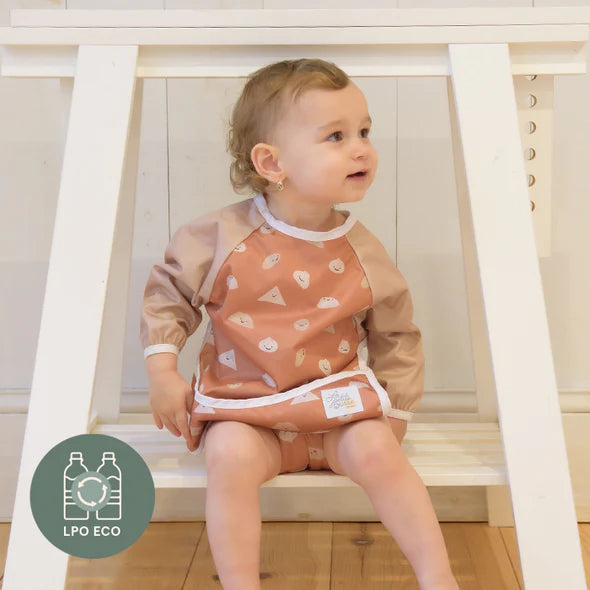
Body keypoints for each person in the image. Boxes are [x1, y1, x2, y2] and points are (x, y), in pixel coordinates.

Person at [141, 58, 459, 590]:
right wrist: (162, 370)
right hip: (248, 413)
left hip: (337, 413)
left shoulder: (361, 251)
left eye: (364, 132)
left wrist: (397, 410)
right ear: (272, 162)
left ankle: (438, 578)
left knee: (379, 449)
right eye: (336, 136)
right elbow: (169, 295)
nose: (361, 148)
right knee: (227, 455)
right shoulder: (220, 237)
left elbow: (396, 333)